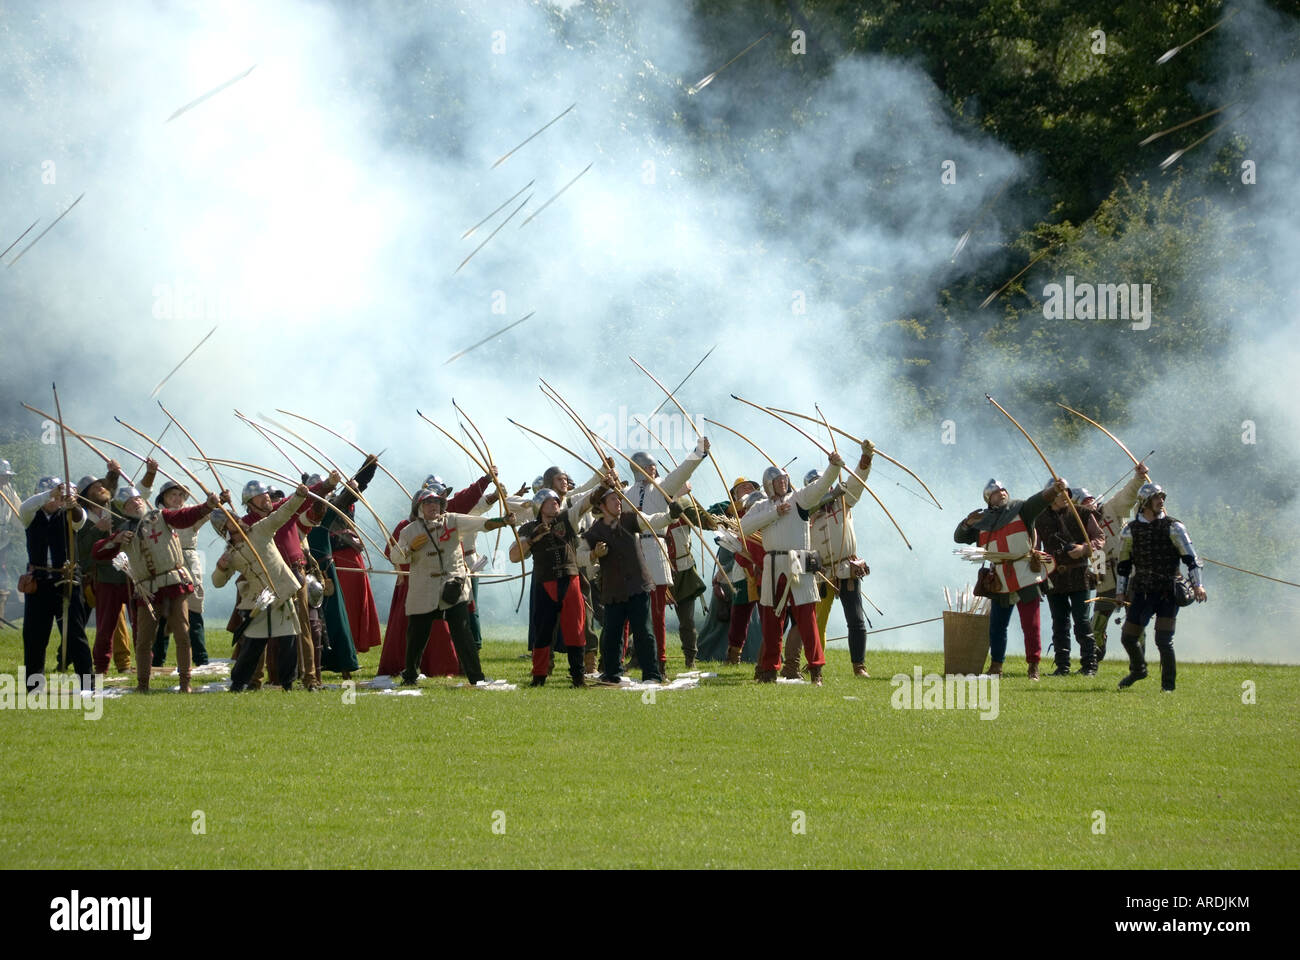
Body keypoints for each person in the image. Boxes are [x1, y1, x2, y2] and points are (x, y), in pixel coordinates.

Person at [389, 483, 514, 686]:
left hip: (453, 586)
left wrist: (503, 521)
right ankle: (410, 676)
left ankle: (476, 677)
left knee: (463, 634)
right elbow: (395, 555)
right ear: (419, 507)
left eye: (437, 502)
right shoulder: (409, 531)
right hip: (424, 590)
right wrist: (409, 548)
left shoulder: (453, 520)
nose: (433, 506)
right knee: (416, 638)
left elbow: (482, 524)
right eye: (428, 503)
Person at [105, 484, 224, 692]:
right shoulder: (122, 532)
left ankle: (185, 683)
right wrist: (114, 540)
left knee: (182, 634)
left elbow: (185, 517)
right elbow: (99, 553)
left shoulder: (161, 516)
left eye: (138, 500)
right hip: (147, 590)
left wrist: (207, 506)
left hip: (173, 583)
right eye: (130, 502)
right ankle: (143, 685)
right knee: (143, 641)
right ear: (123, 509)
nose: (136, 503)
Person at [737, 454, 843, 685]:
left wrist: (833, 466)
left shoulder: (799, 499)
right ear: (769, 485)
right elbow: (743, 528)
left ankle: (816, 670)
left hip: (798, 562)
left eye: (785, 479)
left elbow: (821, 485)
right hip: (773, 564)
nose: (783, 483)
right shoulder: (760, 507)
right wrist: (774, 513)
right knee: (772, 621)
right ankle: (768, 670)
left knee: (806, 618)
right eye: (778, 481)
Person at [954, 477, 1064, 678]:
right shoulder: (982, 522)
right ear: (989, 498)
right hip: (1000, 578)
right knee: (997, 625)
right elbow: (959, 538)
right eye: (997, 492)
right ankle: (996, 667)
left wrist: (1054, 489)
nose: (1002, 493)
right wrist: (968, 522)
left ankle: (1033, 666)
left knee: (1031, 624)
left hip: (1025, 573)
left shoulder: (1021, 509)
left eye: (1004, 490)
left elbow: (1039, 500)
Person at [624, 439, 710, 679]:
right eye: (648, 467)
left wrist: (698, 453)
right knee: (634, 612)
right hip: (634, 551)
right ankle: (630, 658)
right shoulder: (626, 493)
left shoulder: (662, 486)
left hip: (656, 548)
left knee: (658, 612)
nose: (653, 470)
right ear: (638, 469)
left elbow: (683, 471)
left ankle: (659, 661)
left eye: (653, 467)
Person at [213, 484, 310, 691]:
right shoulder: (230, 554)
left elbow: (282, 513)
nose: (235, 525)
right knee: (252, 647)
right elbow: (217, 582)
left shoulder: (260, 530)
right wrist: (221, 568)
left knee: (288, 642)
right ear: (225, 531)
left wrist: (299, 496)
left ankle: (287, 685)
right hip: (259, 601)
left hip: (282, 593)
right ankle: (238, 684)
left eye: (235, 521)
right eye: (229, 525)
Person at [583, 481, 680, 685]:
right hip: (613, 591)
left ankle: (652, 675)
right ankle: (611, 674)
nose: (618, 501)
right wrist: (594, 554)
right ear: (602, 505)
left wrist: (670, 516)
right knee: (611, 634)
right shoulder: (595, 531)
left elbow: (652, 520)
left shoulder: (629, 519)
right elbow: (578, 555)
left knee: (644, 632)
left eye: (618, 498)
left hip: (638, 587)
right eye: (613, 499)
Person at [1113, 483, 1207, 692]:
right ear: (1145, 503)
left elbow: (1192, 560)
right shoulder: (1130, 530)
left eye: (1162, 497)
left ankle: (1168, 688)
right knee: (1128, 637)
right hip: (1142, 591)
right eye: (1156, 498)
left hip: (1167, 592)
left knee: (1164, 640)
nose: (1161, 501)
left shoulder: (1174, 527)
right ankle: (1139, 670)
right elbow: (1123, 566)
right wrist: (1120, 591)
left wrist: (1198, 586)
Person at [795, 438, 876, 677]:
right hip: (820, 572)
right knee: (817, 622)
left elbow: (858, 480)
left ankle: (858, 665)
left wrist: (866, 457)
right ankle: (815, 664)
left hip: (845, 568)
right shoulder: (805, 513)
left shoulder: (843, 500)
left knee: (855, 619)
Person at [511, 485, 598, 686]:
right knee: (542, 632)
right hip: (545, 584)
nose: (556, 503)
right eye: (551, 502)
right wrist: (533, 538)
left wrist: (603, 488)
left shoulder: (567, 519)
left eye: (557, 501)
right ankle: (539, 677)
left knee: (576, 631)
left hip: (570, 581)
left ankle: (578, 677)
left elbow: (585, 504)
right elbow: (514, 556)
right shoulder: (528, 529)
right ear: (540, 507)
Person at [18, 477, 94, 692]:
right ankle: (34, 687)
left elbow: (81, 519)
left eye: (59, 497)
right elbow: (26, 506)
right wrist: (50, 493)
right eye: (52, 496)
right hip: (39, 582)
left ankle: (87, 685)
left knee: (75, 634)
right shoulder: (30, 515)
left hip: (67, 581)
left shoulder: (71, 513)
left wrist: (73, 504)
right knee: (34, 635)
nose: (55, 500)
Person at [1079, 462, 1150, 661]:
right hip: (1104, 573)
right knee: (1098, 621)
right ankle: (1095, 658)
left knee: (1135, 618)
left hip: (1128, 570)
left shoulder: (1110, 507)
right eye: (1084, 503)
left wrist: (1139, 478)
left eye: (1090, 501)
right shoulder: (1078, 525)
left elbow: (1127, 496)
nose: (1090, 505)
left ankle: (1139, 660)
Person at [1035, 481, 1106, 675]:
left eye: (1065, 491)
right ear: (1051, 495)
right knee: (1059, 622)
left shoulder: (1081, 512)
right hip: (1053, 576)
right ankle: (1062, 667)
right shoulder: (1039, 517)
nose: (1063, 495)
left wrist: (1084, 549)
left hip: (1079, 574)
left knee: (1082, 621)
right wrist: (1038, 568)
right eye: (1059, 492)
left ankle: (1089, 666)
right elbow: (1035, 548)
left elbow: (1099, 537)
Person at [143, 479, 210, 668]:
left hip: (189, 563)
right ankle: (157, 660)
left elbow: (206, 512)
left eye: (181, 495)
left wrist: (216, 502)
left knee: (194, 613)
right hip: (164, 565)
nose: (178, 498)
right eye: (173, 494)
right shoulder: (154, 516)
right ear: (163, 497)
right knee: (163, 612)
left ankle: (201, 659)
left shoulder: (191, 513)